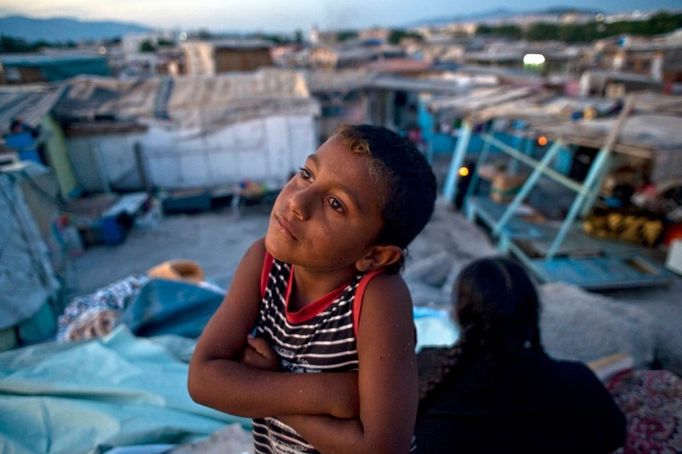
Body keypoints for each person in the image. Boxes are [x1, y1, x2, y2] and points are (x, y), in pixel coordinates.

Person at [188, 124, 437, 453]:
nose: (298, 202)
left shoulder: (378, 298)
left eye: (336, 204)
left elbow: (381, 448)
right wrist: (326, 394)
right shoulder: (262, 263)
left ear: (374, 255)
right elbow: (202, 380)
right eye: (307, 174)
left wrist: (265, 386)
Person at [415, 257, 626, 453]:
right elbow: (615, 438)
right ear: (534, 312)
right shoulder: (579, 382)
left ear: (457, 314)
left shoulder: (423, 371)